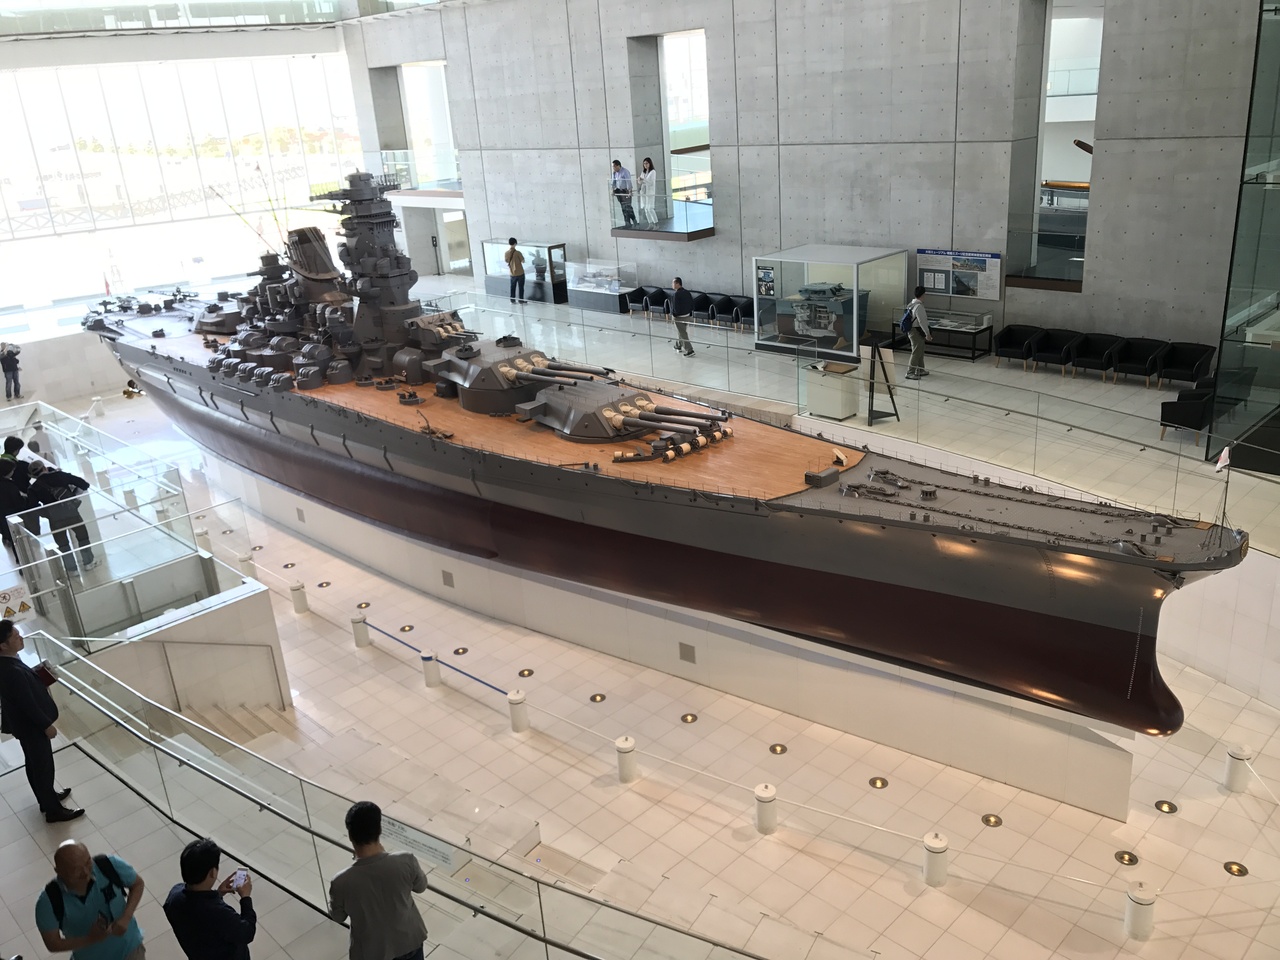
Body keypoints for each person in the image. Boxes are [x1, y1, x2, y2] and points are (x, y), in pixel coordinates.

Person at [0, 619, 84, 822]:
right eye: (15, 636)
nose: (21, 638)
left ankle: (46, 799)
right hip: (32, 727)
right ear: (3, 645)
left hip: (25, 726)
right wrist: (46, 725)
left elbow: (22, 691)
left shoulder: (9, 662)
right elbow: (26, 703)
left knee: (35, 764)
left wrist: (37, 677)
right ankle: (53, 811)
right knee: (42, 767)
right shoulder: (10, 670)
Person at [329, 801, 429, 960]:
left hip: (372, 952)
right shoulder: (406, 860)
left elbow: (338, 917)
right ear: (379, 830)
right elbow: (421, 887)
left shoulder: (340, 882)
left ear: (350, 836)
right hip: (409, 942)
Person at [36, 841, 144, 960]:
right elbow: (53, 943)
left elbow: (137, 884)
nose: (86, 872)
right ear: (59, 872)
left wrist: (126, 917)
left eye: (88, 863)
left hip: (129, 949)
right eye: (76, 869)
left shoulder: (108, 865)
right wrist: (91, 939)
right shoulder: (48, 901)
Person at [164, 839, 256, 960]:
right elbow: (247, 932)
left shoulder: (174, 896)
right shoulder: (220, 914)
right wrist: (246, 898)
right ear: (213, 872)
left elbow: (198, 910)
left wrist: (218, 893)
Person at [30, 462, 96, 573]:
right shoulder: (60, 475)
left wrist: (46, 513)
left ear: (32, 475)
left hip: (54, 518)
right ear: (45, 468)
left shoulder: (34, 488)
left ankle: (72, 569)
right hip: (71, 513)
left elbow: (32, 508)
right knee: (82, 537)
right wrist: (72, 496)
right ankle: (88, 562)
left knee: (63, 544)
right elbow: (84, 484)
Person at [0, 459, 30, 555]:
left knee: (11, 538)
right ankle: (22, 559)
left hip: (2, 517)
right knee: (18, 539)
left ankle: (18, 558)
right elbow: (18, 502)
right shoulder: (9, 485)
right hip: (12, 515)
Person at [905, 285, 934, 380]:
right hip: (916, 331)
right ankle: (910, 372)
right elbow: (922, 321)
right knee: (916, 351)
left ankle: (920, 370)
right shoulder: (919, 306)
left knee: (920, 350)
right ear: (923, 294)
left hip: (913, 330)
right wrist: (927, 334)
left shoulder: (911, 304)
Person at [669, 278, 695, 357]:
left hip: (679, 317)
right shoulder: (687, 292)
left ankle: (690, 350)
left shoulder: (676, 294)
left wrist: (674, 315)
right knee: (681, 331)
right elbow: (692, 304)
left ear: (677, 284)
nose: (672, 285)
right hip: (687, 316)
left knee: (682, 333)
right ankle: (678, 345)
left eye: (673, 283)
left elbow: (675, 307)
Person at [611, 160, 637, 227]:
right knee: (623, 208)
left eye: (614, 166)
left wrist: (630, 191)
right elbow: (613, 182)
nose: (613, 168)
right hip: (619, 191)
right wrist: (612, 190)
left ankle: (634, 221)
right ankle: (627, 223)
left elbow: (628, 182)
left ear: (618, 166)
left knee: (628, 207)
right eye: (613, 167)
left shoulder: (625, 172)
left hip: (625, 191)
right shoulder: (614, 173)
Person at [503, 238, 525, 304]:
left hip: (512, 273)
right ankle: (521, 300)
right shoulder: (518, 253)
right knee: (521, 287)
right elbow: (523, 261)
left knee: (512, 287)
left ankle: (512, 300)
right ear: (515, 243)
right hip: (520, 272)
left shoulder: (506, 253)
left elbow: (506, 261)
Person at [637, 157, 657, 227]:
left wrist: (643, 179)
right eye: (644, 163)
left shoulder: (653, 172)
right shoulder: (643, 172)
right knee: (646, 209)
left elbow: (651, 182)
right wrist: (639, 179)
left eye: (646, 163)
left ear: (650, 163)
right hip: (644, 192)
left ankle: (656, 223)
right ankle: (650, 224)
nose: (645, 165)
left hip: (650, 192)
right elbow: (640, 182)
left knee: (650, 208)